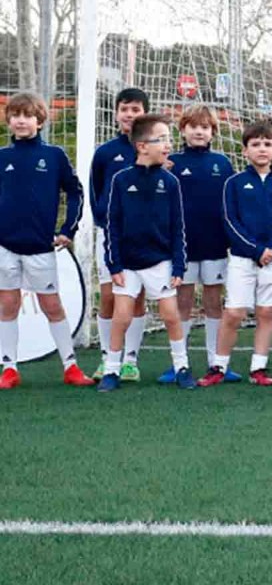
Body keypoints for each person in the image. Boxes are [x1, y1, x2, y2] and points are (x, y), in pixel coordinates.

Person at [0, 92, 90, 389]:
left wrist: (68, 229)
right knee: (8, 305)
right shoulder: (3, 157)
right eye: (15, 115)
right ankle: (9, 368)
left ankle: (70, 366)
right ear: (9, 121)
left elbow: (75, 191)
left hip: (41, 246)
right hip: (5, 247)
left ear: (39, 120)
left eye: (27, 115)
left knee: (52, 305)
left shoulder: (54, 156)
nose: (21, 120)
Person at [200, 121, 272, 387]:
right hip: (243, 259)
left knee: (267, 312)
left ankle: (259, 368)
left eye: (267, 144)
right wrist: (256, 250)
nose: (262, 149)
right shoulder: (234, 183)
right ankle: (218, 367)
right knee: (233, 313)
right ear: (245, 151)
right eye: (255, 144)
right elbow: (230, 221)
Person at [98, 114, 191, 391]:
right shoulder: (120, 180)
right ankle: (112, 369)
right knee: (122, 316)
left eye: (168, 139)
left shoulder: (171, 182)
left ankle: (181, 366)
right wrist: (113, 264)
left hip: (160, 261)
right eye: (160, 139)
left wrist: (178, 265)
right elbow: (112, 224)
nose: (167, 145)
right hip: (127, 263)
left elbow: (178, 226)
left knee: (171, 315)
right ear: (141, 146)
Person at [168, 104, 234, 382]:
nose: (199, 131)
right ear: (182, 130)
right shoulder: (171, 162)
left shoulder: (222, 163)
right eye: (193, 126)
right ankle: (179, 363)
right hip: (182, 246)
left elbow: (231, 203)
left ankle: (215, 362)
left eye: (205, 127)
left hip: (215, 244)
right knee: (182, 302)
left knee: (212, 302)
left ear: (213, 132)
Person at [88, 87, 149, 382]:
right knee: (109, 296)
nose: (129, 114)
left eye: (135, 109)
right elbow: (95, 193)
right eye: (124, 109)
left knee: (137, 298)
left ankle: (130, 360)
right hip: (111, 237)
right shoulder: (104, 153)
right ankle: (105, 357)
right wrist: (107, 224)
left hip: (144, 239)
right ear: (116, 114)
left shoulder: (153, 150)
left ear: (144, 115)